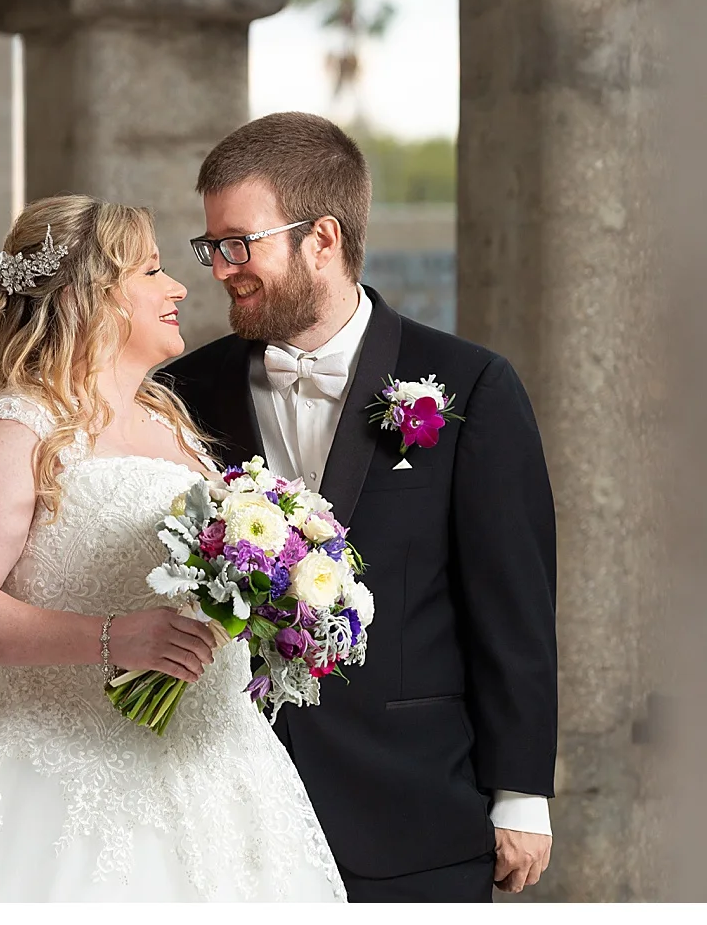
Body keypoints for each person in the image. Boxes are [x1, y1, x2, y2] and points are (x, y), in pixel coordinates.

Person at [0, 195, 345, 902]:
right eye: (153, 271)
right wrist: (112, 638)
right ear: (90, 294)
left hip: (222, 781)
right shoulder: (11, 430)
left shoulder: (172, 426)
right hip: (55, 787)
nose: (179, 288)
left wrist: (275, 604)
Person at [160, 112, 558, 902]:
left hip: (414, 807)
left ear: (323, 239)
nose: (219, 268)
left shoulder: (470, 386)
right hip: (222, 810)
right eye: (211, 247)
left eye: (240, 243)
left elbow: (513, 604)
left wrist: (520, 792)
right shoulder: (182, 393)